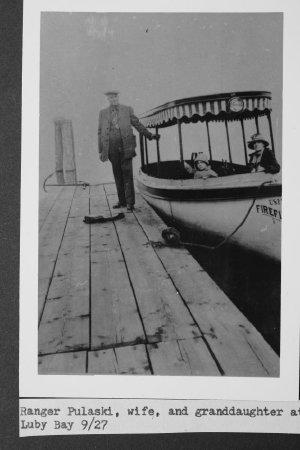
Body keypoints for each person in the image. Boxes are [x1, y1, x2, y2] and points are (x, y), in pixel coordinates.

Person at [98, 90, 159, 211]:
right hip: (111, 149)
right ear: (108, 99)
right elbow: (100, 131)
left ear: (118, 97)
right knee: (117, 174)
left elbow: (137, 124)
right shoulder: (103, 113)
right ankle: (122, 201)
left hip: (126, 147)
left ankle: (130, 203)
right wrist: (101, 150)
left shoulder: (127, 109)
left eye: (115, 97)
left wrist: (149, 135)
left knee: (127, 174)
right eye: (111, 98)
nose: (113, 99)